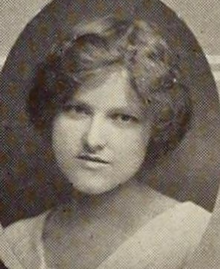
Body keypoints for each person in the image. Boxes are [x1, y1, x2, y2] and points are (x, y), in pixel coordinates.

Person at [0, 16, 217, 269]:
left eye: (123, 117)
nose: (92, 140)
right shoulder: (16, 241)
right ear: (50, 114)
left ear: (155, 129)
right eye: (77, 110)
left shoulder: (195, 235)